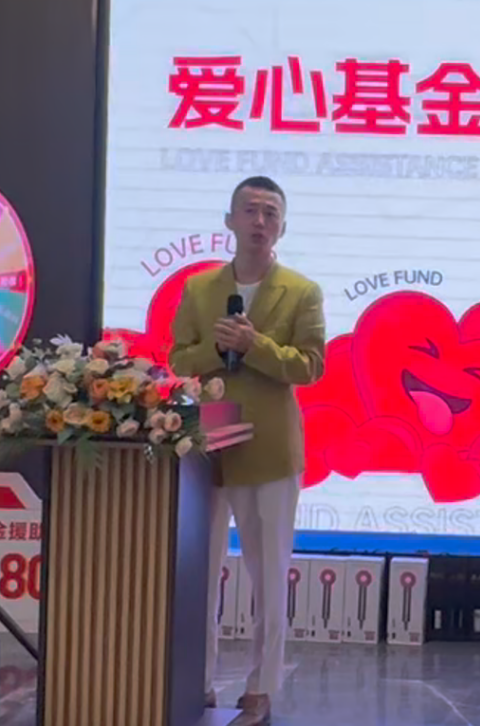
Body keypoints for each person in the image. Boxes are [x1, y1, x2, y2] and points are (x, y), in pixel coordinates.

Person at [170, 175, 325, 726]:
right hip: (208, 444)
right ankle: (198, 681)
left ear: (282, 226)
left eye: (270, 213)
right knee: (199, 572)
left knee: (268, 573)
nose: (260, 221)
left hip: (270, 445)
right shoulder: (198, 289)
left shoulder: (302, 291)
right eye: (251, 211)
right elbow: (179, 359)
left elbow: (310, 366)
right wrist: (217, 349)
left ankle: (261, 688)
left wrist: (253, 345)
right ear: (230, 221)